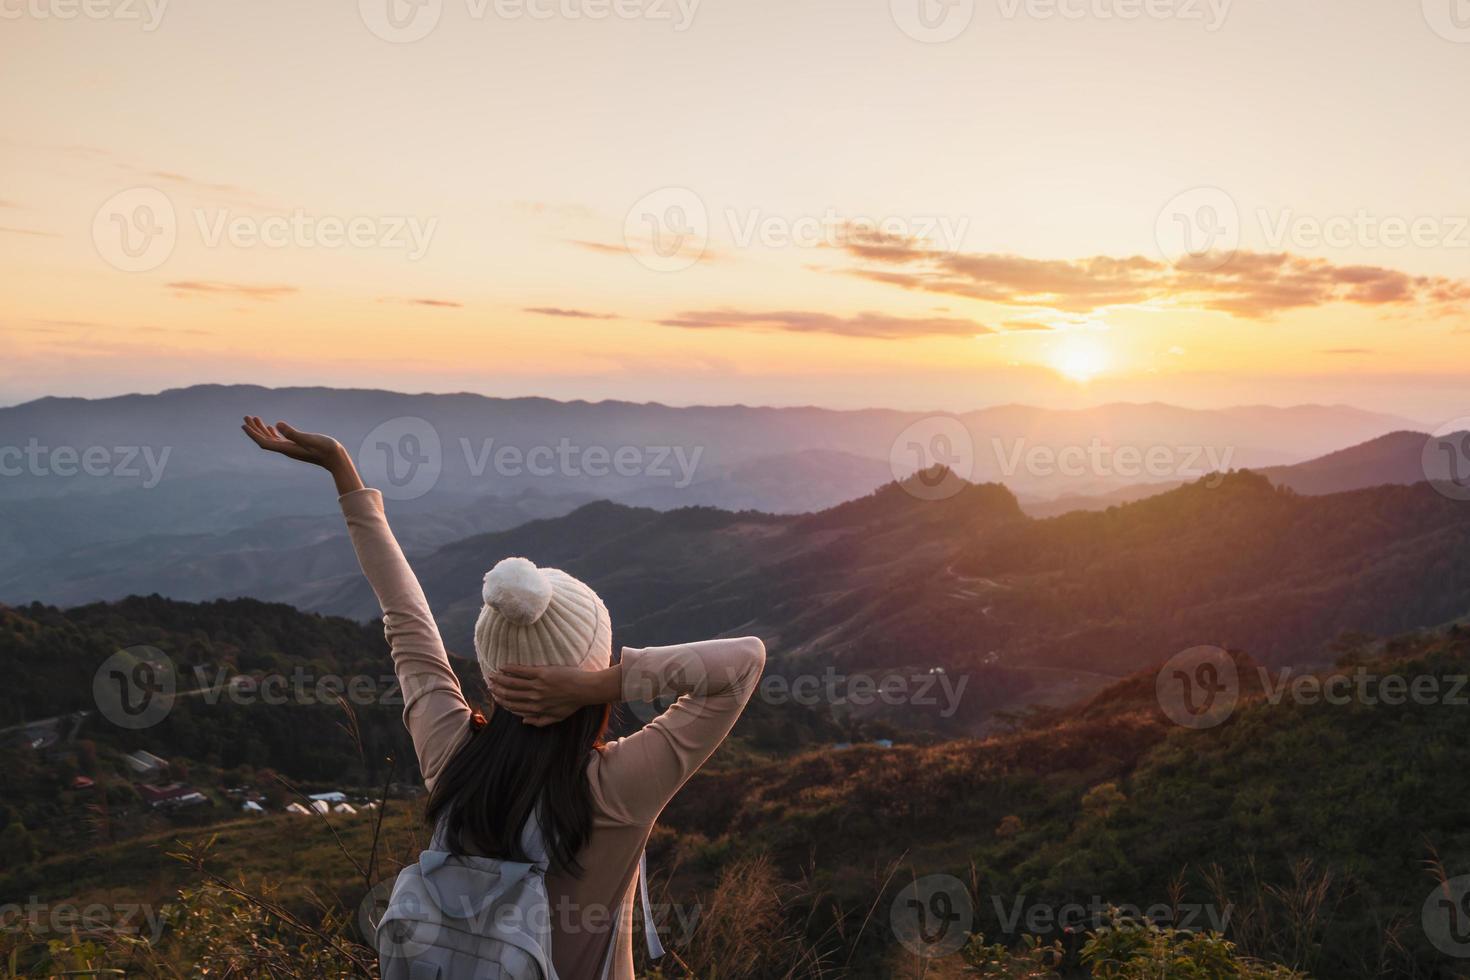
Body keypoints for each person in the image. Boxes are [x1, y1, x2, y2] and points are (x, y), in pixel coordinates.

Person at [241, 416, 766, 978]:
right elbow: (743, 663)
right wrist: (600, 684)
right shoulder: (617, 790)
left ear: (493, 674)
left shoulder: (452, 754)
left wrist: (343, 471)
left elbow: (406, 617)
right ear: (591, 663)